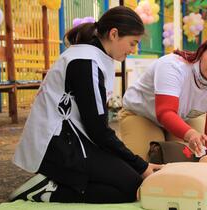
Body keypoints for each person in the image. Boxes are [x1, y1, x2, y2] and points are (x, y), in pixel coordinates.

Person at [9, 6, 162, 204]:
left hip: (72, 140)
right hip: (58, 146)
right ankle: (47, 189)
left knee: (130, 178)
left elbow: (96, 127)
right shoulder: (86, 62)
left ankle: (60, 182)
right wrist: (140, 165)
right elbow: (99, 130)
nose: (134, 50)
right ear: (114, 34)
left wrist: (135, 165)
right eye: (132, 43)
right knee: (130, 186)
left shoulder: (90, 56)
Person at [119, 33, 207, 163]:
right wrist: (190, 134)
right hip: (141, 114)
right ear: (201, 52)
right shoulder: (173, 65)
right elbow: (165, 112)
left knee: (198, 159)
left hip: (181, 118)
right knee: (145, 164)